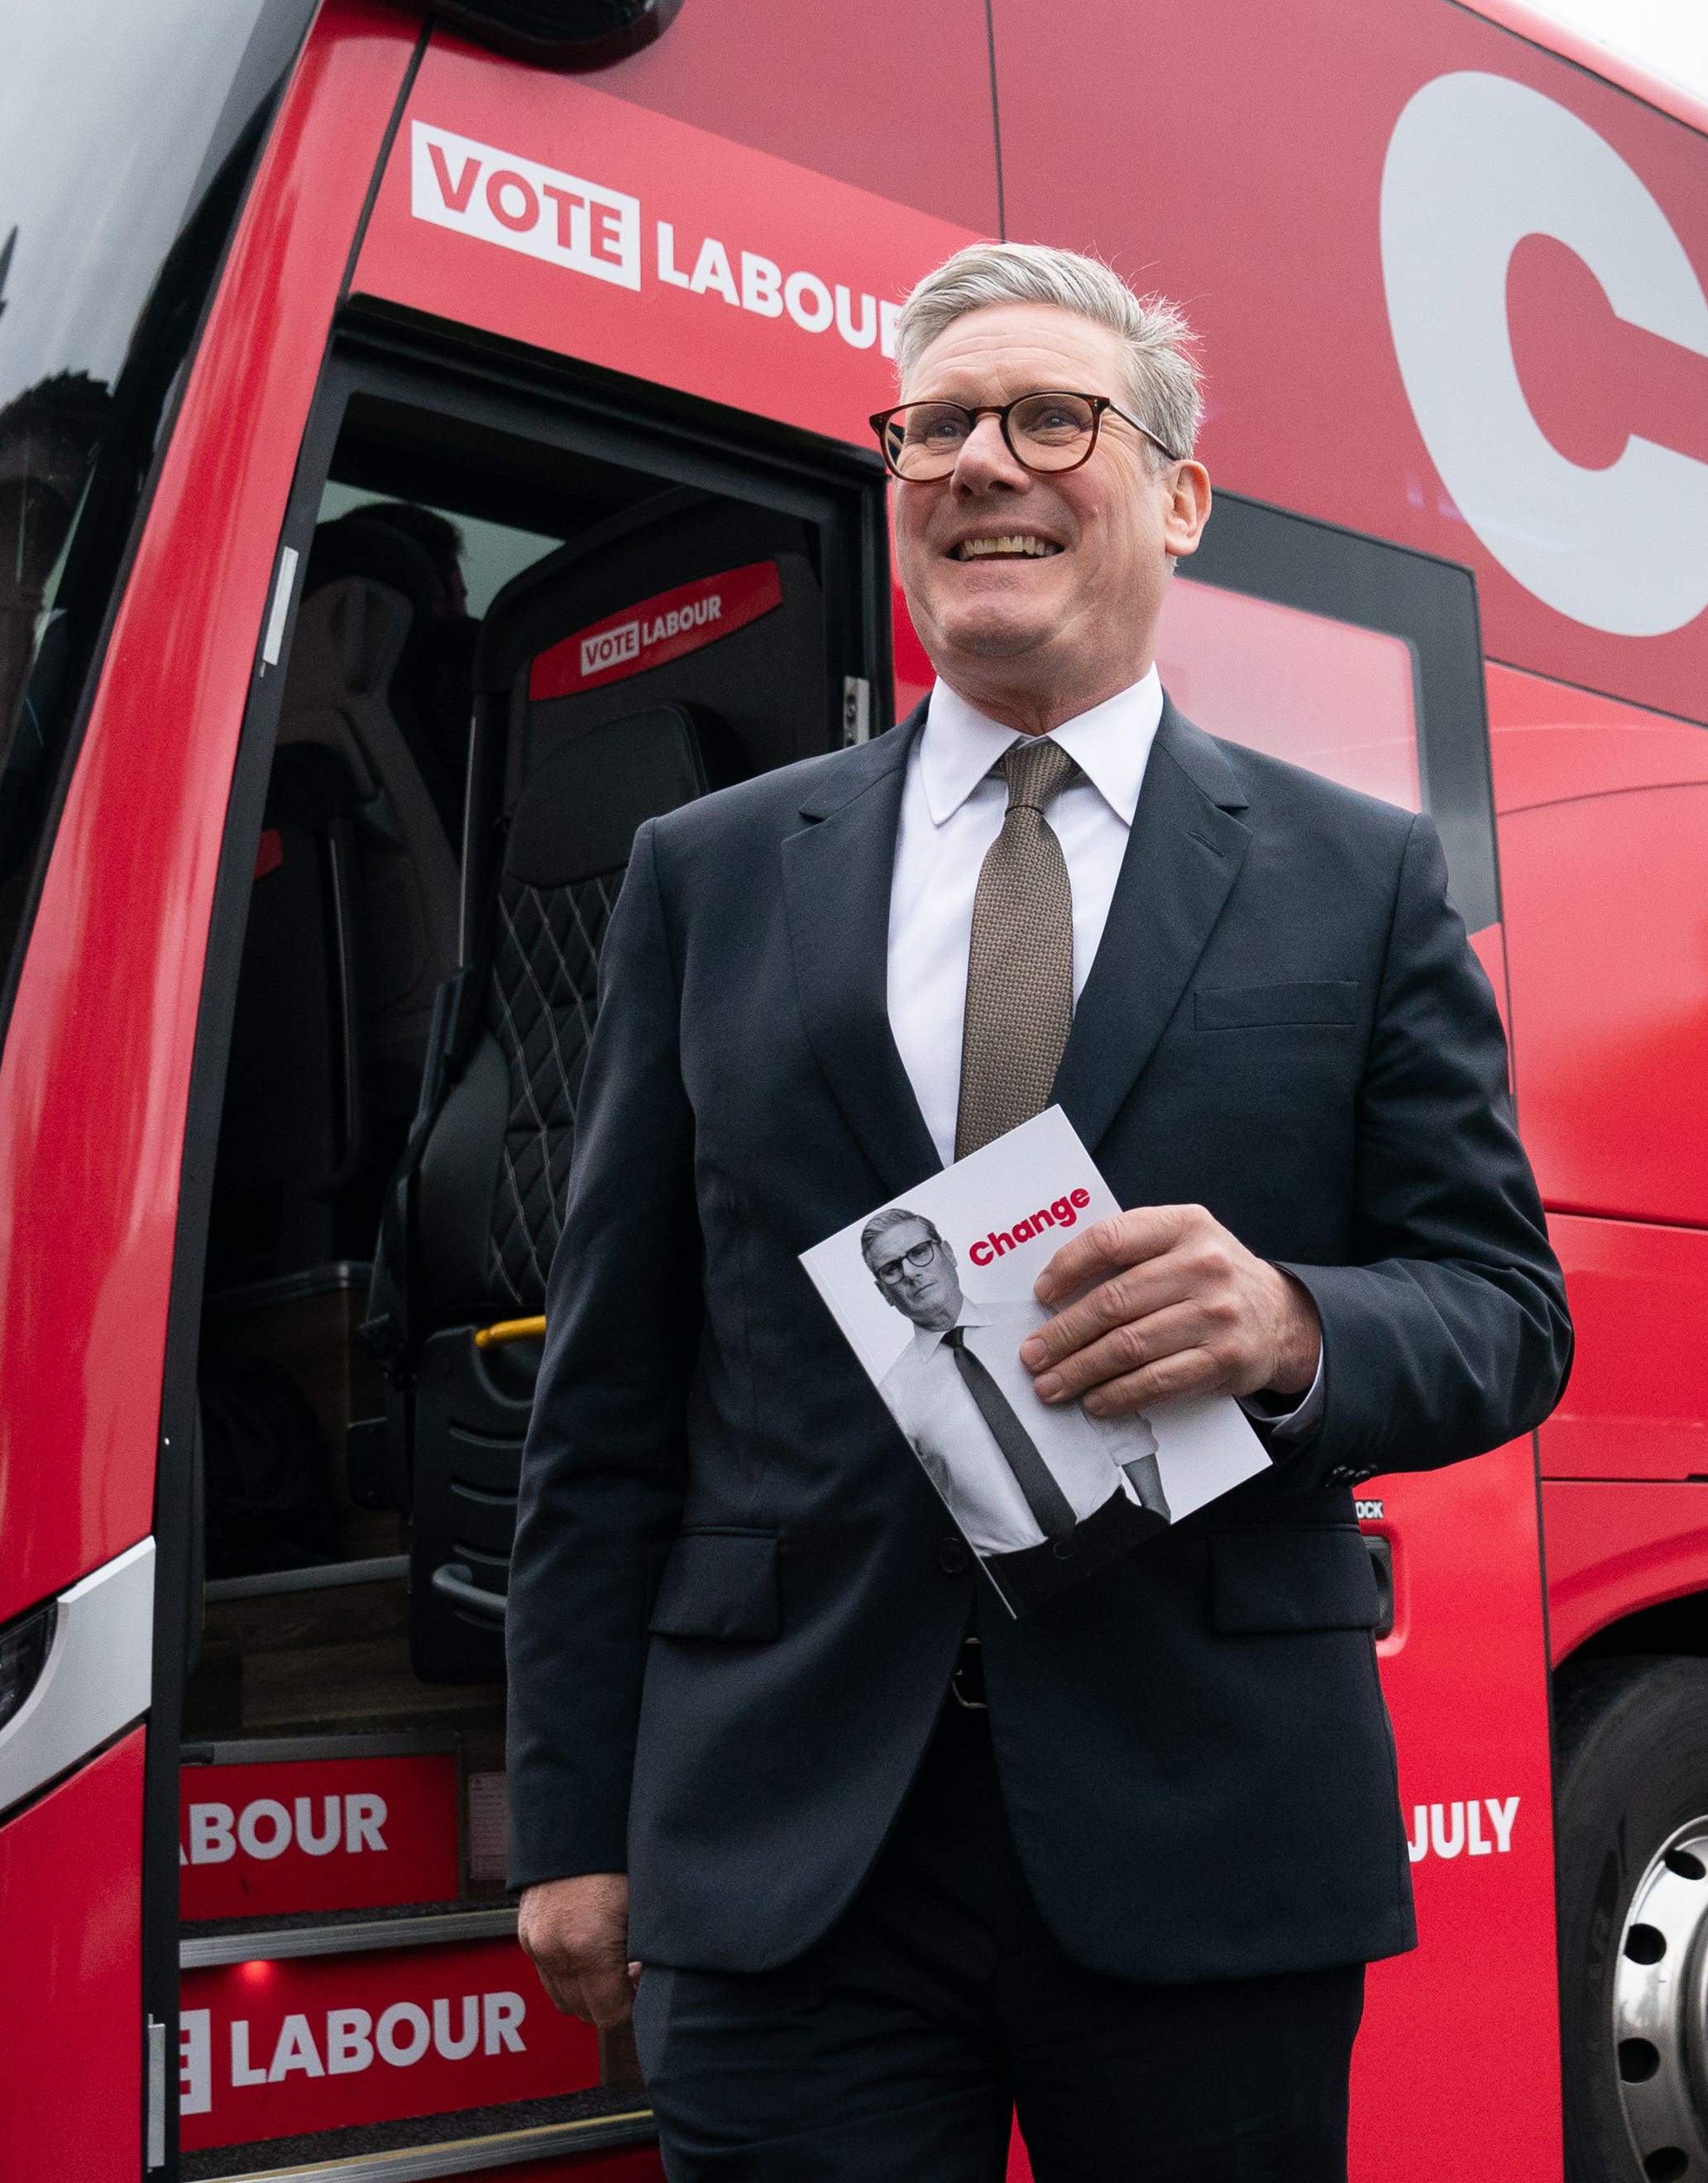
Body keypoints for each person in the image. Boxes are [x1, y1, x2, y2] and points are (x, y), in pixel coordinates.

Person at [507, 239, 1569, 2181]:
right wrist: (572, 1817)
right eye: (935, 427)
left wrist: (1295, 1329)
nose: (983, 460)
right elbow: (610, 1390)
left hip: (1205, 1819)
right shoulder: (711, 876)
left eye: (1051, 418)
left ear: (1176, 496)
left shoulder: (1356, 877)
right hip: (794, 1837)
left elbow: (1503, 1311)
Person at [860, 1206, 1166, 1609]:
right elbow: (924, 1511)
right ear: (884, 1292)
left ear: (948, 1252)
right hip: (1015, 1580)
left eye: (919, 1252)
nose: (911, 1273)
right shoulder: (891, 1397)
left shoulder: (1035, 1319)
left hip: (1119, 1527)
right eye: (891, 1269)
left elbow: (1113, 1416)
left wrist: (1157, 1512)